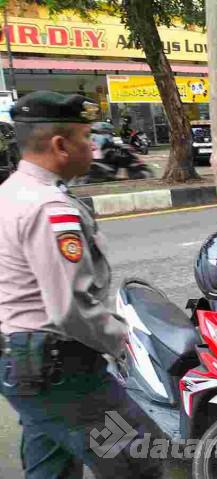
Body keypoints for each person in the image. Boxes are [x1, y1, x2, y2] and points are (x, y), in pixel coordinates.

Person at [0, 91, 164, 478]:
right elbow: (70, 308)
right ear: (60, 145)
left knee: (51, 469)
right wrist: (121, 340)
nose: (93, 146)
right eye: (86, 137)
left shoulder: (10, 194)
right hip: (61, 370)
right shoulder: (48, 209)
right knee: (143, 461)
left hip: (25, 365)